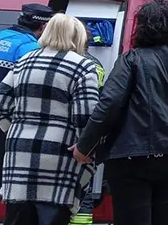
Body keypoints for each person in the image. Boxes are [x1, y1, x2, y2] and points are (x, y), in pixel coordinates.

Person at [70, 0, 168, 225]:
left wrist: (84, 147)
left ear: (142, 28)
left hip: (131, 157)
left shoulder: (130, 60)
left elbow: (109, 104)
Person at [0, 13, 100, 225]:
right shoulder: (82, 66)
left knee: (18, 217)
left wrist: (14, 129)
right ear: (77, 37)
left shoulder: (24, 61)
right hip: (59, 155)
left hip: (19, 153)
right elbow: (85, 116)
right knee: (52, 215)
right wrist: (86, 147)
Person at [0, 3, 53, 225]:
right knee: (19, 204)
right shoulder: (30, 49)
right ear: (43, 27)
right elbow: (30, 96)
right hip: (3, 133)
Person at [69, 28, 106, 225]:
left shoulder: (73, 63)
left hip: (71, 135)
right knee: (83, 185)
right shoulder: (95, 65)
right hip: (84, 137)